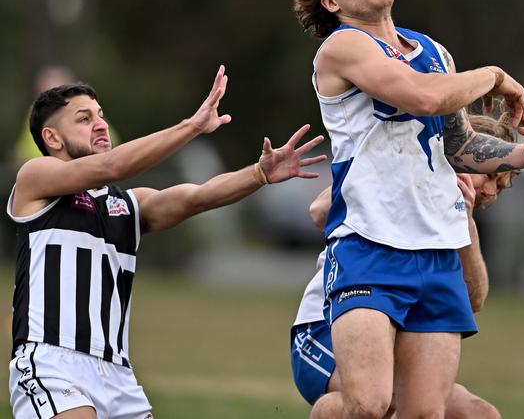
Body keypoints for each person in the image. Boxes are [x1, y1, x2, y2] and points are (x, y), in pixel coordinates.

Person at [291, 0, 524, 417]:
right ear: (331, 1)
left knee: (425, 413)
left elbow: (458, 143)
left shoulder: (433, 52)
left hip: (436, 251)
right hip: (369, 244)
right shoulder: (342, 47)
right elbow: (420, 96)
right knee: (370, 404)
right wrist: (496, 75)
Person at [6, 65, 326, 419]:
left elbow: (198, 197)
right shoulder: (35, 180)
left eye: (100, 115)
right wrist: (191, 126)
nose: (99, 124)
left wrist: (259, 174)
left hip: (118, 374)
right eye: (83, 119)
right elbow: (110, 167)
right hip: (54, 364)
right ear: (52, 138)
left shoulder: (127, 206)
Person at [291, 113, 518, 419]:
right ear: (458, 153)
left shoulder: (455, 216)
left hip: (396, 339)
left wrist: (464, 221)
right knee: (379, 403)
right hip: (325, 330)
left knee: (477, 414)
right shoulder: (398, 166)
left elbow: (474, 299)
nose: (490, 192)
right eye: (488, 175)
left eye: (499, 185)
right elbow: (318, 211)